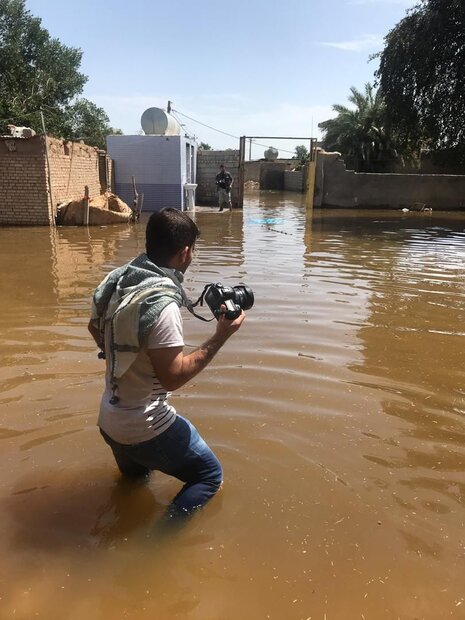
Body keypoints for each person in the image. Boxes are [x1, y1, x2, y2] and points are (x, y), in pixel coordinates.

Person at [88, 208, 246, 521]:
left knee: (135, 482)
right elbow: (173, 378)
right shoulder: (161, 305)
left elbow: (94, 327)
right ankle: (154, 548)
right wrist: (220, 336)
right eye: (194, 250)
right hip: (145, 426)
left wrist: (126, 357)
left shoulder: (121, 282)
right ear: (185, 252)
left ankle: (123, 522)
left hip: (109, 419)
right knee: (209, 476)